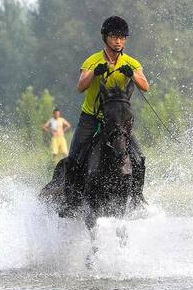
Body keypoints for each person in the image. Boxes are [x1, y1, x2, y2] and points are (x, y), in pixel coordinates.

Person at [62, 15, 149, 215]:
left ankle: (137, 198)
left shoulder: (131, 63)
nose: (118, 41)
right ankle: (71, 201)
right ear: (105, 38)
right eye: (114, 36)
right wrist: (95, 73)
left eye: (122, 37)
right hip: (91, 118)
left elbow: (145, 86)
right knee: (74, 157)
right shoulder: (92, 61)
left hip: (118, 122)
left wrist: (132, 74)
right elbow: (80, 87)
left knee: (140, 158)